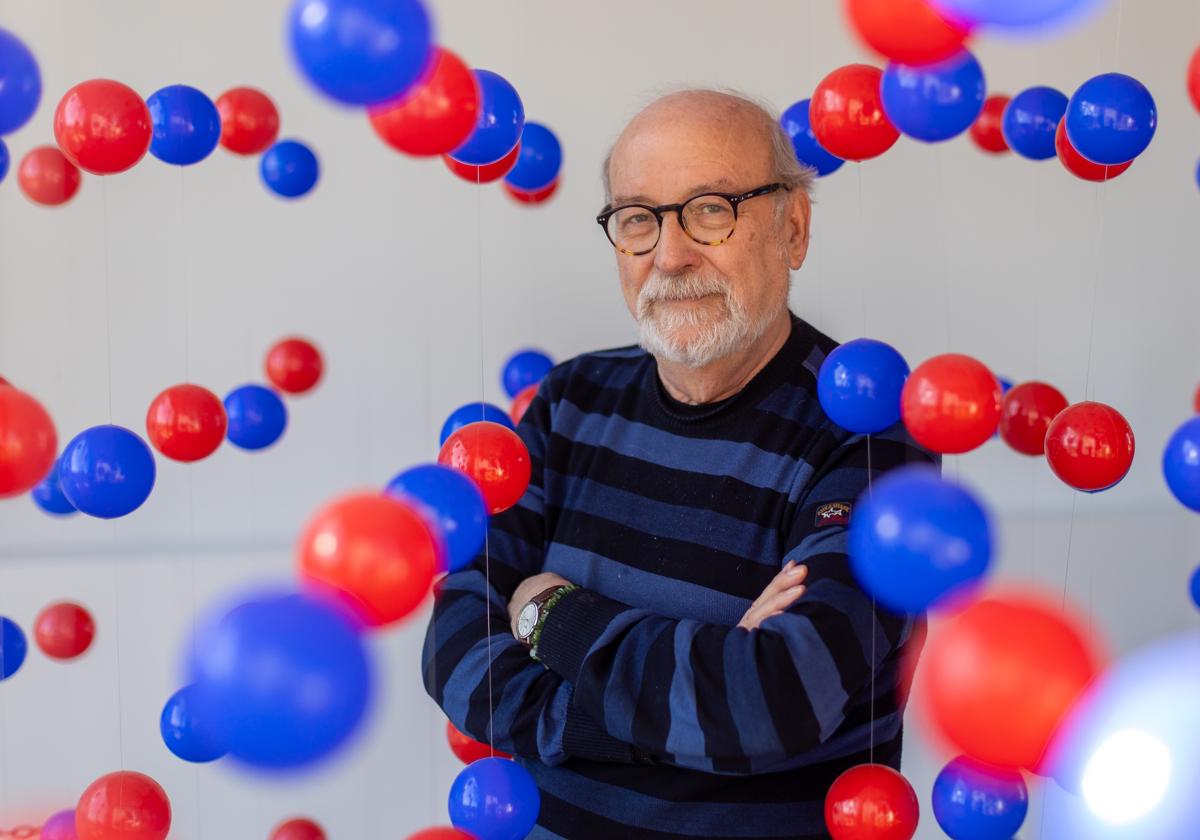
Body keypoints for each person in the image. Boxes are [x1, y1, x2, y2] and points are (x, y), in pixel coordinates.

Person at [423, 88, 936, 839]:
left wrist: (547, 614)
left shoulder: (866, 437)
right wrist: (675, 701)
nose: (670, 255)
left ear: (792, 229)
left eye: (710, 208)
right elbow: (454, 645)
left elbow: (775, 700)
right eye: (638, 219)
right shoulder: (569, 400)